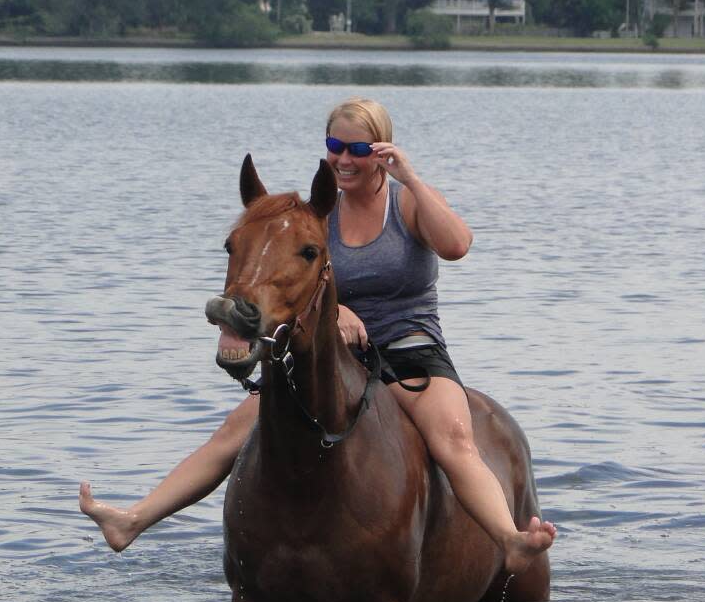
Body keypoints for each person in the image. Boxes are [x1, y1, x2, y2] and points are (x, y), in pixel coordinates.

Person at [80, 97, 556, 574]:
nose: (344, 159)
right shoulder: (317, 219)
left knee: (454, 438)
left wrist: (409, 177)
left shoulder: (408, 202)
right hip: (333, 353)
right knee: (232, 431)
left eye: (357, 148)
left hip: (410, 348)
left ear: (382, 151)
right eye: (334, 146)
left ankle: (508, 539)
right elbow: (303, 280)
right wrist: (340, 310)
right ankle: (132, 520)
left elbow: (457, 245)